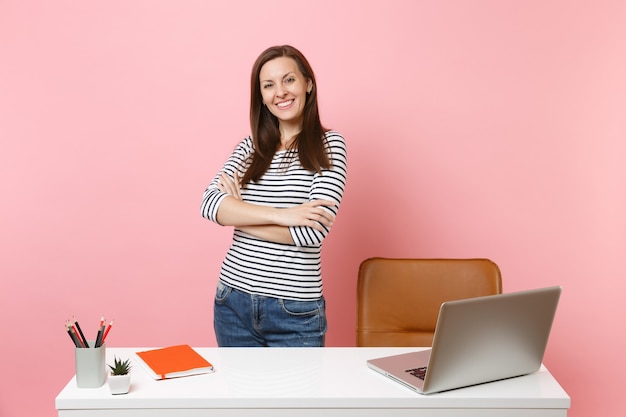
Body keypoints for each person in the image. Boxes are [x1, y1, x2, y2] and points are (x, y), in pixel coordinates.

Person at [200, 45, 348, 347]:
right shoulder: (248, 148)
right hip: (232, 301)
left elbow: (311, 232)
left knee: (297, 396)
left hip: (295, 311)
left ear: (308, 84)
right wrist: (283, 215)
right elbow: (210, 204)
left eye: (288, 80)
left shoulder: (329, 145)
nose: (280, 92)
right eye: (269, 85)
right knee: (239, 395)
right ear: (262, 98)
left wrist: (239, 214)